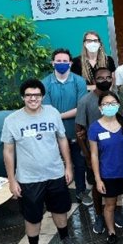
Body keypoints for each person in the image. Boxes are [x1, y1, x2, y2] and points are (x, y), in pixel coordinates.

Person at [1, 79, 80, 244]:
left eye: (36, 95)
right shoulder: (12, 120)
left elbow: (62, 140)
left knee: (60, 210)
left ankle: (65, 237)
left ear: (42, 96)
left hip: (55, 174)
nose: (32, 98)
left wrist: (68, 167)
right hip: (28, 179)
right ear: (23, 97)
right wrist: (12, 180)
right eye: (28, 95)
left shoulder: (52, 113)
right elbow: (8, 151)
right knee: (32, 216)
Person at [88, 91, 123, 244]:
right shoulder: (95, 127)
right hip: (108, 174)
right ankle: (111, 233)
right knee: (110, 205)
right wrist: (98, 179)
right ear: (100, 108)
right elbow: (94, 154)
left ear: (118, 105)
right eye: (106, 104)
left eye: (113, 103)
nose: (110, 106)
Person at [75, 67, 123, 233]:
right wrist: (88, 156)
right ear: (94, 80)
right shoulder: (85, 101)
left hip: (115, 152)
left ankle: (115, 211)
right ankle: (98, 215)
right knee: (97, 186)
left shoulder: (115, 98)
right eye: (100, 78)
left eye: (108, 77)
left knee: (114, 185)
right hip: (95, 154)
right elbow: (79, 130)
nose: (105, 80)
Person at [41, 48, 89, 206]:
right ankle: (57, 193)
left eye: (65, 61)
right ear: (52, 63)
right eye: (58, 61)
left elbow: (80, 108)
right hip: (53, 132)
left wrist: (58, 116)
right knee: (55, 163)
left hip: (75, 130)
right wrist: (56, 117)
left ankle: (81, 191)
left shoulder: (79, 81)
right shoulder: (45, 83)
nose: (61, 64)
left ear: (70, 63)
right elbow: (46, 109)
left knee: (79, 162)